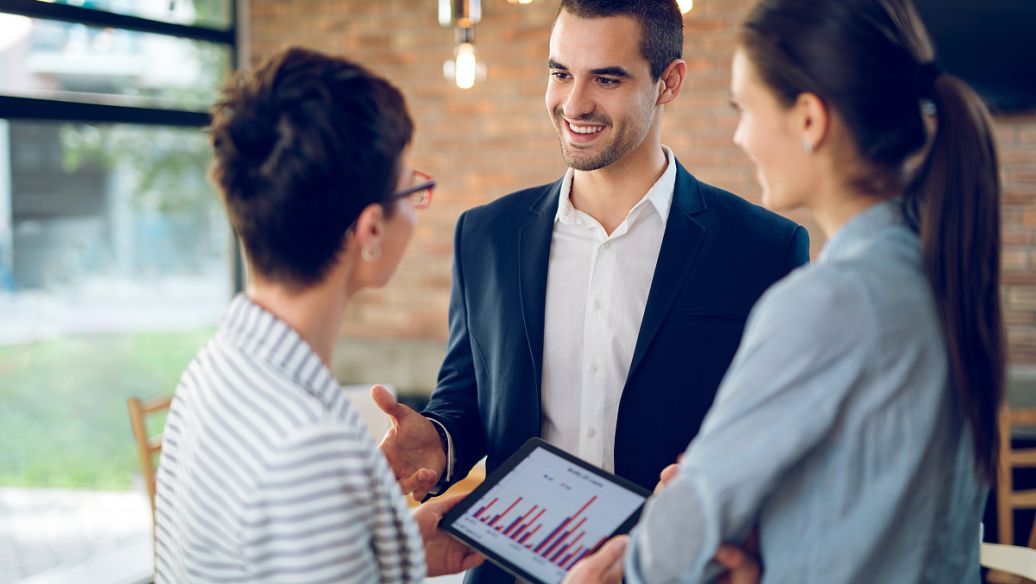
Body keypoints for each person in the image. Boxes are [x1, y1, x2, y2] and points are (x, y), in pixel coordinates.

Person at [375, 1, 808, 582]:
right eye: (560, 73)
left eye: (606, 78)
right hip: (506, 568)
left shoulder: (763, 248)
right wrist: (438, 440)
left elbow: (781, 436)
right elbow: (467, 398)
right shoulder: (486, 235)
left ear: (668, 82)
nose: (574, 103)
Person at [601, 0, 1004, 581]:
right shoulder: (940, 273)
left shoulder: (831, 300)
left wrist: (650, 544)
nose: (739, 136)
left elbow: (675, 542)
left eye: (745, 109)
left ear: (809, 120)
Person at [153, 47, 482, 583]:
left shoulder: (212, 370)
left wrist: (388, 555)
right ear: (370, 230)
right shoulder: (310, 449)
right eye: (412, 188)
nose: (418, 211)